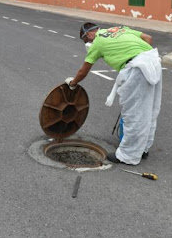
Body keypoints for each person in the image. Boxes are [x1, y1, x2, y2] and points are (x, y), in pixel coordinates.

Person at [66, 22, 162, 165]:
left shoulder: (98, 41)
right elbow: (148, 38)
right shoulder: (118, 29)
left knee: (133, 114)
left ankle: (128, 156)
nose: (89, 43)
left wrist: (72, 83)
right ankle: (143, 149)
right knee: (150, 111)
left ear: (90, 33)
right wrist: (137, 54)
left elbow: (84, 70)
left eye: (87, 40)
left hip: (137, 69)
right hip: (153, 62)